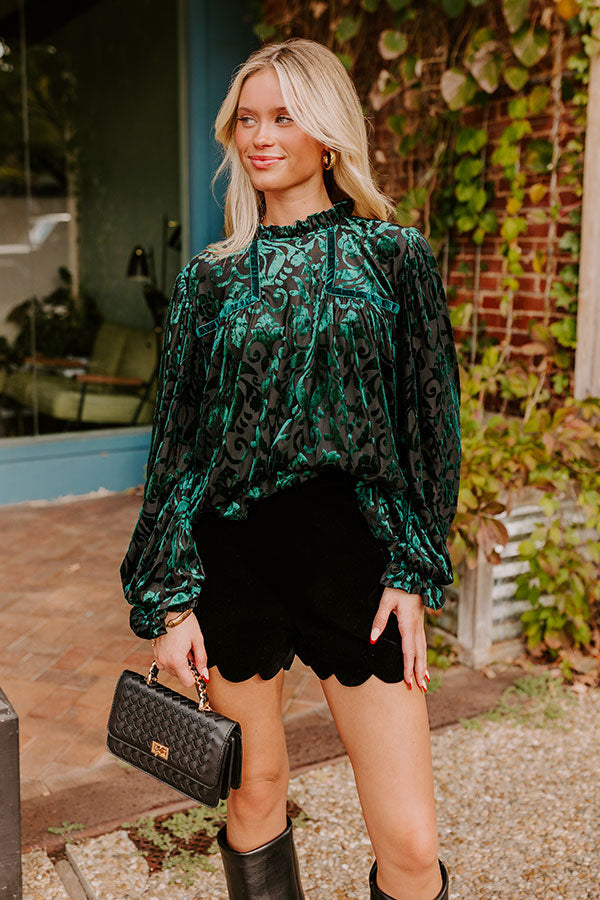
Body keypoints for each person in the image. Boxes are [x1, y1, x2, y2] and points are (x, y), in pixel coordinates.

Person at [120, 36, 461, 900]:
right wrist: (167, 598)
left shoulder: (395, 260)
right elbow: (179, 450)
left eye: (284, 116)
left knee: (412, 841)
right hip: (235, 561)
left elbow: (430, 428)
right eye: (247, 118)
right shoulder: (208, 284)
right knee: (256, 790)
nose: (261, 135)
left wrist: (415, 568)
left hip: (357, 559)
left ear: (329, 133)